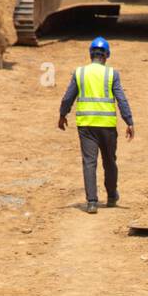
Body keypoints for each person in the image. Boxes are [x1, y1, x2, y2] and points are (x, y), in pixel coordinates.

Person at [58, 36, 134, 214]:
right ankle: (112, 197)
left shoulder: (79, 73)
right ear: (106, 55)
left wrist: (62, 115)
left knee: (89, 163)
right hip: (107, 125)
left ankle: (92, 202)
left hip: (86, 125)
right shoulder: (112, 74)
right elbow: (121, 99)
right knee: (109, 161)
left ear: (90, 54)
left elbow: (68, 97)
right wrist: (129, 121)